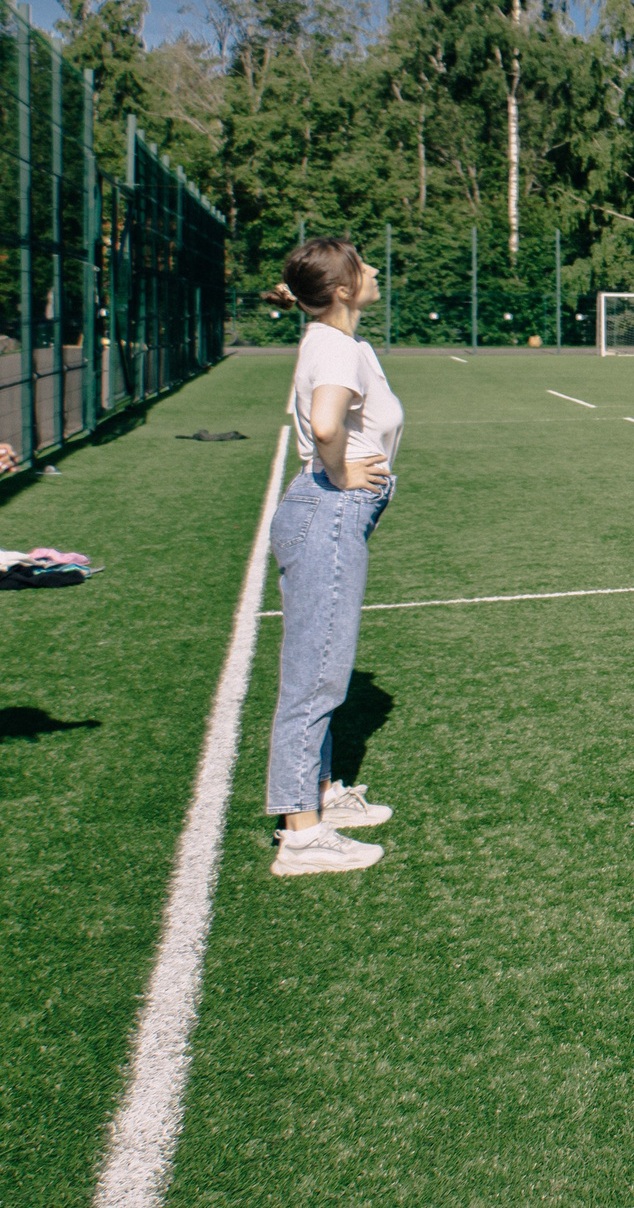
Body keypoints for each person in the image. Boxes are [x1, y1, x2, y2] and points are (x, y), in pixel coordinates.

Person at [261, 238, 404, 876]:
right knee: (317, 673)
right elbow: (326, 426)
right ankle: (302, 835)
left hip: (328, 515)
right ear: (343, 289)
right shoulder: (336, 345)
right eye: (363, 265)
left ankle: (321, 796)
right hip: (328, 512)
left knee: (322, 664)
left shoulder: (338, 342)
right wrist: (342, 471)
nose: (374, 270)